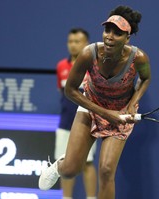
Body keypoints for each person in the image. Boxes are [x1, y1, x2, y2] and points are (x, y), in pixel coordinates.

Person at [39, 5, 151, 199]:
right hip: (90, 106)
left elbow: (145, 78)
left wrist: (134, 102)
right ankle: (59, 165)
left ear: (127, 38)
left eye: (117, 33)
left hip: (121, 112)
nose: (110, 36)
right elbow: (70, 90)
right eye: (108, 30)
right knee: (70, 171)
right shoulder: (88, 54)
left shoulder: (138, 58)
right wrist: (106, 113)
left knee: (107, 170)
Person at [55, 28, 97, 199]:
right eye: (70, 41)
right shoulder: (61, 66)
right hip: (65, 124)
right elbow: (62, 92)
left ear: (86, 43)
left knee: (87, 163)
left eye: (77, 41)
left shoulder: (94, 67)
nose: (73, 45)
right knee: (63, 165)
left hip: (87, 124)